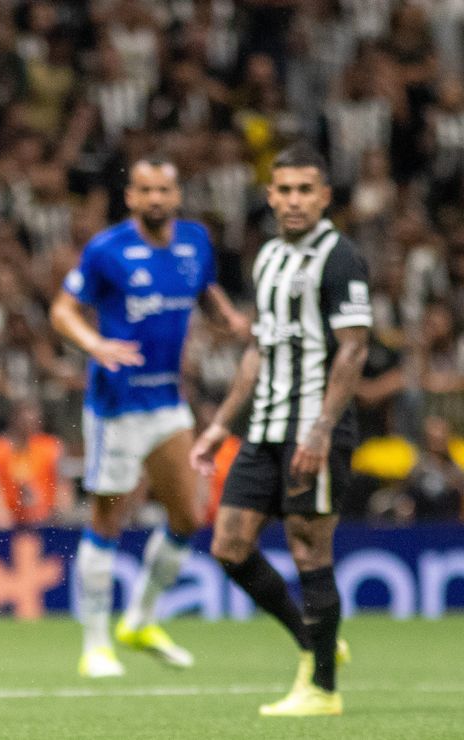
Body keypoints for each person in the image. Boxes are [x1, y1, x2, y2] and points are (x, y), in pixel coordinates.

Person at [191, 142, 371, 717]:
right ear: (270, 195)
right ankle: (313, 642)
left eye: (305, 190)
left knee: (308, 545)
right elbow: (258, 351)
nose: (293, 201)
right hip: (264, 426)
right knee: (229, 546)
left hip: (312, 429)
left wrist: (320, 429)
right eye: (284, 190)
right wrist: (222, 424)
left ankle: (321, 690)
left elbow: (354, 349)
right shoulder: (267, 256)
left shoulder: (340, 257)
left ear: (324, 196)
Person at [51, 156, 248, 678]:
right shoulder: (107, 250)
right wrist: (96, 344)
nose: (156, 198)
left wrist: (224, 315)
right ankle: (95, 645)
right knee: (108, 520)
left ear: (176, 195)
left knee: (188, 514)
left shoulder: (195, 242)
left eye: (164, 189)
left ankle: (138, 619)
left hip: (166, 400)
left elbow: (203, 288)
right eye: (145, 190)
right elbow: (62, 310)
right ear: (132, 198)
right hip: (116, 405)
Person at [0, 400, 73, 529]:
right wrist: (1, 519)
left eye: (34, 423)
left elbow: (63, 485)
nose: (29, 429)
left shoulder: (52, 447)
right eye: (24, 424)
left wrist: (60, 517)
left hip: (46, 521)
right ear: (13, 421)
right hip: (9, 521)